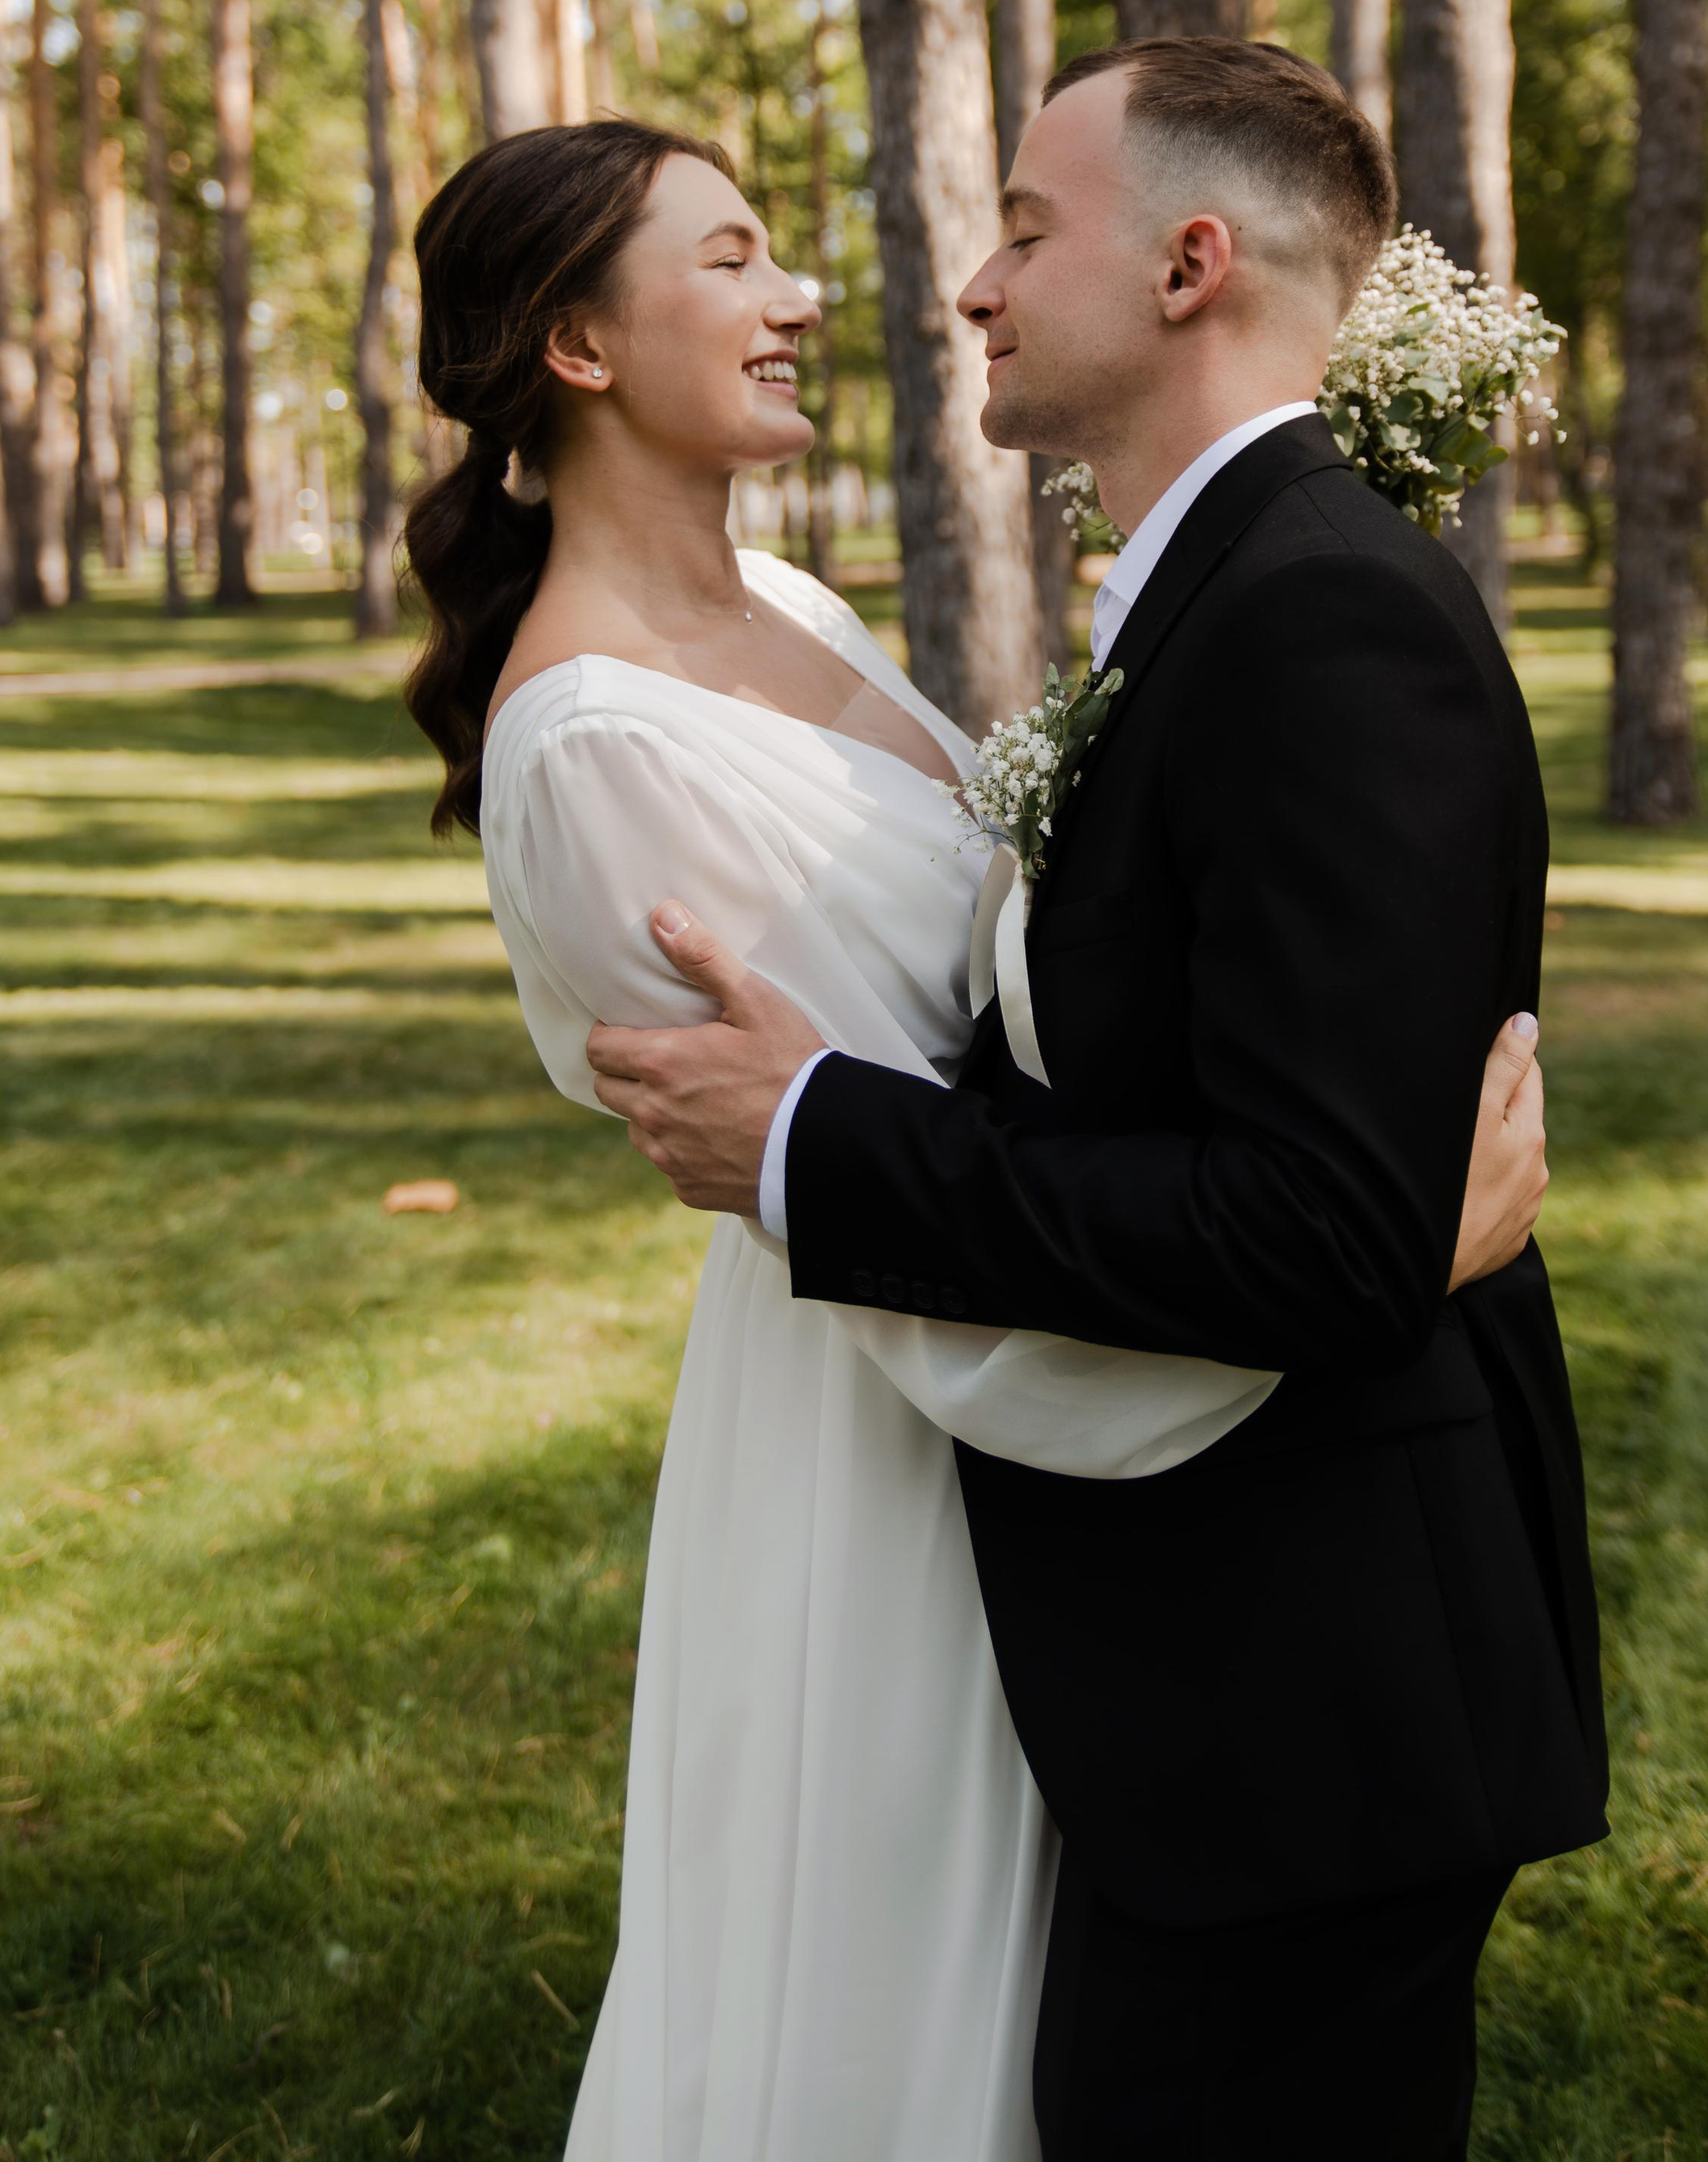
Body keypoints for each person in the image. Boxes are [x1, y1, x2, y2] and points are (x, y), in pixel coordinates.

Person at [401, 103, 1560, 2162]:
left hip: (1053, 1386)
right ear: (575, 347)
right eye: (733, 255)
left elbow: (1023, 1031)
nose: (804, 295)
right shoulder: (587, 748)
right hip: (914, 1406)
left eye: (1022, 231)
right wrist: (1389, 1261)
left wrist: (1350, 1233)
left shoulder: (799, 611)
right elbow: (866, 1154)